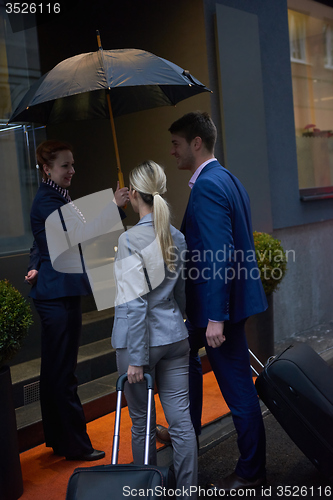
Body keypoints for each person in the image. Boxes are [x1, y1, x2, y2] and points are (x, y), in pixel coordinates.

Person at [157, 111, 267, 492]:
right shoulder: (228, 179)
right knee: (184, 363)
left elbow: (219, 253)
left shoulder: (206, 186)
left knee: (237, 389)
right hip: (216, 307)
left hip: (216, 311)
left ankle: (251, 471)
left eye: (176, 143)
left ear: (196, 143)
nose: (172, 151)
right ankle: (186, 431)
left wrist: (216, 318)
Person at [25, 139, 129, 461]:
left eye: (72, 164)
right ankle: (75, 446)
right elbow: (77, 235)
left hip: (58, 292)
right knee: (63, 374)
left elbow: (42, 243)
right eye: (65, 166)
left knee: (57, 372)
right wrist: (112, 205)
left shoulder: (55, 197)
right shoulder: (48, 200)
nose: (72, 170)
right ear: (47, 169)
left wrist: (34, 264)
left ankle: (59, 440)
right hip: (57, 296)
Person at [111, 160, 198, 496]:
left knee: (142, 425)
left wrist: (135, 357)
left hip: (139, 344)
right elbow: (180, 294)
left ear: (133, 194)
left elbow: (134, 304)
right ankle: (187, 492)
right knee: (181, 423)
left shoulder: (130, 239)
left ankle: (147, 492)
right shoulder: (176, 235)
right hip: (175, 335)